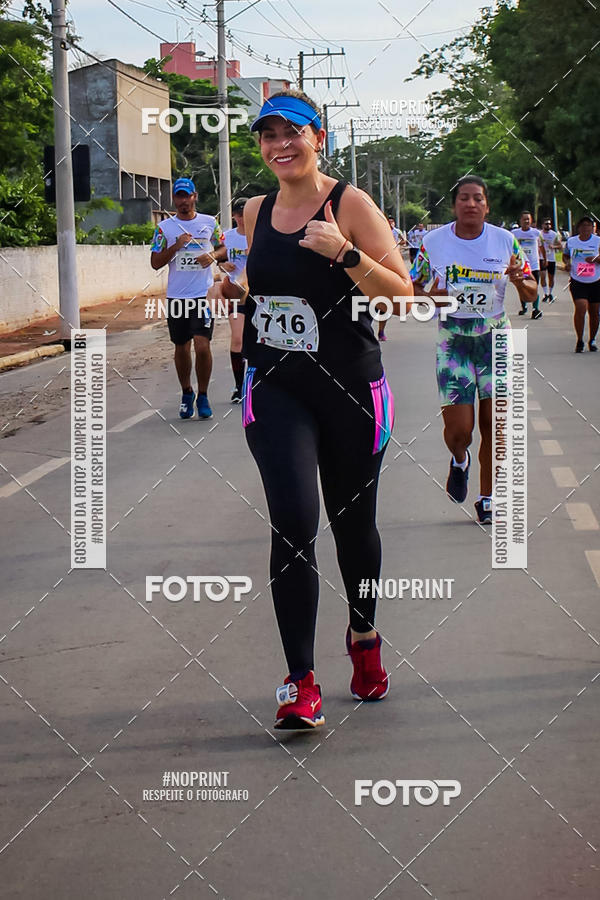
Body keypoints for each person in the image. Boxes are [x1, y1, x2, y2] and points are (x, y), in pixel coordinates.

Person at [215, 89, 413, 730]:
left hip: (353, 389)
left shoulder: (349, 203)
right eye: (268, 136)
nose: (280, 145)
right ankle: (300, 681)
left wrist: (346, 255)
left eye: (292, 132)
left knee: (354, 529)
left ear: (317, 136)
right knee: (294, 522)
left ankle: (363, 637)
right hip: (277, 387)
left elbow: (402, 299)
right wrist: (236, 292)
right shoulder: (253, 211)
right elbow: (263, 289)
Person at [411, 176, 537, 524]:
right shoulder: (433, 243)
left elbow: (530, 291)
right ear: (454, 205)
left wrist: (518, 280)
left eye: (477, 198)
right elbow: (410, 289)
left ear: (487, 205)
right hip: (454, 341)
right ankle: (459, 459)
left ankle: (487, 498)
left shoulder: (505, 241)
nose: (471, 204)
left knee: (495, 425)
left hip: (495, 339)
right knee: (460, 431)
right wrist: (428, 298)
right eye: (464, 198)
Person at [150, 178, 225, 419]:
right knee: (181, 346)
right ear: (174, 199)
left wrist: (212, 255)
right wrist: (175, 247)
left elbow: (224, 249)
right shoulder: (164, 228)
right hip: (177, 297)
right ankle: (187, 392)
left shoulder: (209, 223)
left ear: (195, 197)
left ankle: (203, 395)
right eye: (179, 197)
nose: (183, 201)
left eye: (187, 196)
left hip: (202, 296)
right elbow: (154, 262)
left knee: (202, 345)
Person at [222, 197, 249, 401]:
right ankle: (239, 387)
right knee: (238, 338)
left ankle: (257, 384)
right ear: (233, 216)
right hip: (235, 294)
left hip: (258, 294)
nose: (242, 218)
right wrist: (224, 266)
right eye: (239, 215)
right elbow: (218, 258)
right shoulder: (227, 237)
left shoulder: (259, 234)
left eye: (245, 214)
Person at [563, 216, 600, 352]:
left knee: (595, 312)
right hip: (578, 280)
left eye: (589, 225)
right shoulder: (572, 241)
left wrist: (596, 259)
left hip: (596, 280)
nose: (586, 228)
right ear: (579, 228)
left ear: (593, 228)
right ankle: (579, 340)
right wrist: (567, 264)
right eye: (583, 225)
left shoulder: (598, 241)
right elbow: (566, 255)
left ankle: (592, 339)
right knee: (581, 307)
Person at [511, 212, 545, 318]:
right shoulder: (514, 233)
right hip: (521, 265)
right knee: (521, 286)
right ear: (520, 221)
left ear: (531, 220)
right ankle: (524, 307)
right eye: (524, 219)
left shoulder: (537, 233)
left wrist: (544, 259)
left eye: (528, 219)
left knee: (534, 287)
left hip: (533, 265)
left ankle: (535, 309)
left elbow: (542, 247)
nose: (526, 221)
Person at [539, 218, 562, 302]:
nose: (547, 225)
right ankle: (545, 294)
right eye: (546, 224)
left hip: (551, 258)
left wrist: (554, 246)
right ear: (542, 225)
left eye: (549, 224)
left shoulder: (554, 234)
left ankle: (550, 293)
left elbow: (560, 246)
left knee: (551, 278)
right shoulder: (540, 234)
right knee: (542, 276)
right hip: (541, 258)